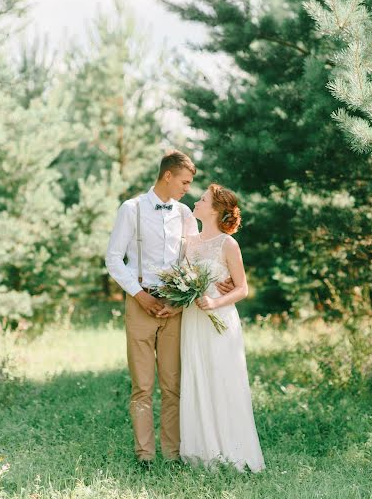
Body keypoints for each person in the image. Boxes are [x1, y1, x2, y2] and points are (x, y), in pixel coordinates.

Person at [105, 151, 232, 465]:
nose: (188, 188)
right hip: (140, 304)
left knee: (173, 385)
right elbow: (113, 259)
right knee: (142, 386)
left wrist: (221, 279)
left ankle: (173, 454)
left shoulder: (185, 214)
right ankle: (145, 456)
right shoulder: (131, 209)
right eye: (185, 182)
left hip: (175, 308)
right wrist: (139, 294)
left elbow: (198, 254)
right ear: (167, 176)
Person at [180, 183, 265, 473]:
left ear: (215, 209)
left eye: (202, 199)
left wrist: (215, 304)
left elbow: (242, 288)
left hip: (219, 321)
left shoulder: (228, 244)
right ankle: (201, 452)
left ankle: (232, 452)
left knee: (221, 379)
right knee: (197, 378)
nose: (197, 201)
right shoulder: (188, 241)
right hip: (192, 321)